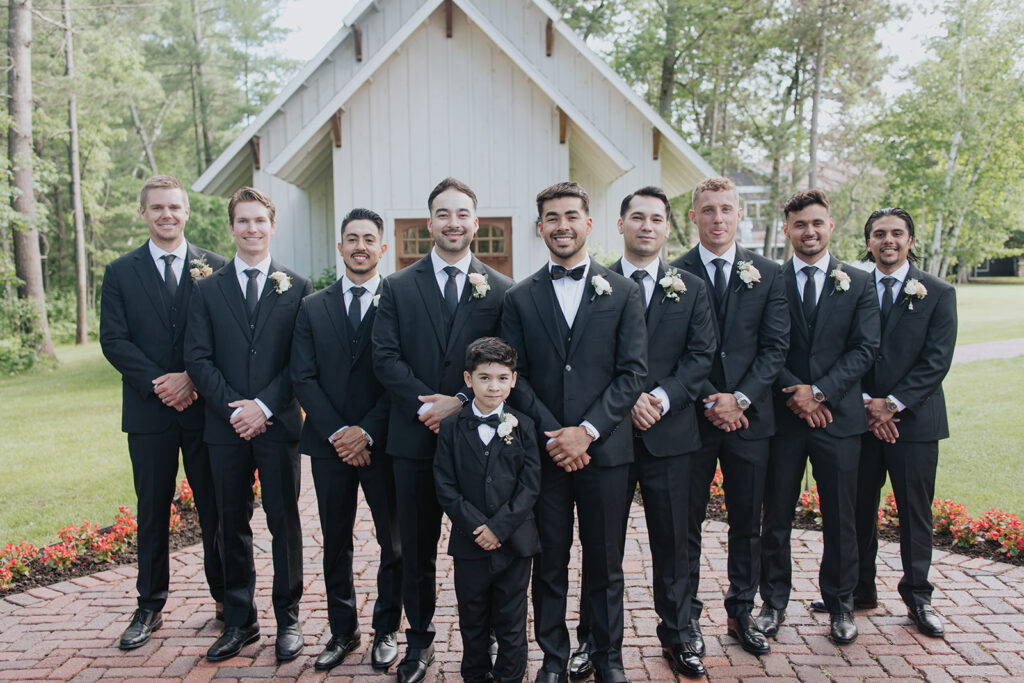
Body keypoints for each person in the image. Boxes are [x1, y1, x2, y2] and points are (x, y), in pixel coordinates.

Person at [502, 181, 647, 683]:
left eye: (571, 216)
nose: (562, 225)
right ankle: (553, 660)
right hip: (545, 455)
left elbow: (632, 373)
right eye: (552, 218)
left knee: (606, 564)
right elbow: (513, 377)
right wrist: (555, 435)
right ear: (540, 227)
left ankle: (608, 659)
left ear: (588, 223)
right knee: (550, 562)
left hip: (605, 453)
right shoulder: (519, 297)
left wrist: (585, 432)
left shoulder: (624, 292)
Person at [372, 178, 513, 683]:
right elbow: (384, 357)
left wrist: (458, 403)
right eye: (443, 214)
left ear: (476, 223)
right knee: (414, 548)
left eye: (462, 214)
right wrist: (426, 405)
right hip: (412, 440)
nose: (453, 222)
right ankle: (420, 640)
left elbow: (506, 364)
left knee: (484, 546)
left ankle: (489, 636)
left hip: (480, 449)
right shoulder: (396, 286)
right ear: (429, 222)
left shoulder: (500, 290)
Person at [185, 187, 312, 662]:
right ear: (232, 227)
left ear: (272, 225)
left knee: (284, 523)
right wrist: (236, 410)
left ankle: (289, 619)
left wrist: (264, 407)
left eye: (260, 220)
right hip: (225, 428)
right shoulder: (207, 289)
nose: (252, 229)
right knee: (229, 523)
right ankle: (240, 621)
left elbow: (301, 363)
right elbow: (197, 358)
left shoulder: (297, 287)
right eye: (243, 221)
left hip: (278, 428)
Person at [100, 175, 226, 650]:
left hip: (202, 411)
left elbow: (225, 337)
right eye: (157, 208)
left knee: (215, 507)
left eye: (174, 207)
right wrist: (162, 383)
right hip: (150, 413)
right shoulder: (120, 272)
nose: (166, 215)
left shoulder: (214, 267)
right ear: (143, 213)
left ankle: (225, 599)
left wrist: (191, 379)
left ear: (187, 212)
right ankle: (149, 605)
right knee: (152, 511)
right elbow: (114, 340)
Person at [670, 177, 789, 657]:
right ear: (694, 216)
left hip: (750, 421)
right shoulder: (674, 273)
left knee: (747, 524)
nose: (717, 218)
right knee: (687, 526)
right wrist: (709, 399)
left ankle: (742, 611)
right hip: (692, 424)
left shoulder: (769, 272)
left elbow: (775, 346)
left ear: (739, 216)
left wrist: (739, 399)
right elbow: (668, 351)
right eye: (708, 210)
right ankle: (688, 619)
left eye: (726, 209)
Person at [756, 189, 879, 645]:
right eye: (800, 224)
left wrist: (822, 392)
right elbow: (765, 344)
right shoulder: (770, 279)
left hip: (838, 418)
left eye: (817, 223)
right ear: (787, 229)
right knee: (778, 516)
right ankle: (773, 603)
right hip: (784, 418)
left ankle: (841, 603)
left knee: (840, 517)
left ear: (831, 227)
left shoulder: (858, 281)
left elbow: (865, 347)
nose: (809, 231)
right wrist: (797, 393)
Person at [832, 207, 955, 638]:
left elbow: (936, 361)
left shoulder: (938, 292)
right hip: (859, 421)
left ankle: (919, 598)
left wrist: (893, 405)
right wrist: (869, 405)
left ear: (911, 241)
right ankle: (859, 591)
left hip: (914, 425)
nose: (889, 241)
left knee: (914, 514)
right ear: (868, 242)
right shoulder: (848, 285)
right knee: (857, 510)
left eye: (897, 234)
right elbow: (842, 349)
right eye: (880, 234)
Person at [290, 208, 402, 669]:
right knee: (335, 541)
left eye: (368, 238)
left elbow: (399, 375)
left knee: (392, 542)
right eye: (351, 238)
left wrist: (367, 432)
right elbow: (303, 376)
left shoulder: (399, 302)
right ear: (340, 248)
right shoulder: (312, 307)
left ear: (382, 247)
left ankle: (387, 629)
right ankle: (342, 632)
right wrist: (339, 433)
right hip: (329, 444)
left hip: (384, 442)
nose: (360, 246)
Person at [434, 337, 541, 683]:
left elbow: (530, 485)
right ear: (468, 379)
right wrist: (477, 526)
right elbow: (445, 485)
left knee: (512, 618)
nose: (493, 386)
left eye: (501, 378)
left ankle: (510, 676)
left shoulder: (523, 425)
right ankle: (475, 674)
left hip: (515, 543)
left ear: (512, 380)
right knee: (473, 615)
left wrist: (501, 527)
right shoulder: (450, 427)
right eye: (484, 377)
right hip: (470, 542)